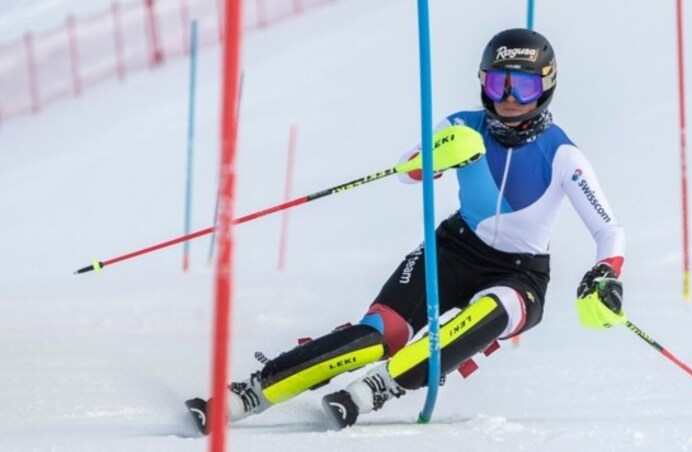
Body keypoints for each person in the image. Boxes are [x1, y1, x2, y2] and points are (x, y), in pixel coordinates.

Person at [185, 28, 626, 433]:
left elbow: (609, 233)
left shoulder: (564, 155)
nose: (509, 98)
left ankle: (380, 387)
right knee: (380, 334)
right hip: (452, 249)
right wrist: (435, 158)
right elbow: (407, 171)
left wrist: (607, 274)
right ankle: (249, 393)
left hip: (521, 275)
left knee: (491, 310)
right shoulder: (461, 126)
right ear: (482, 83)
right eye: (498, 84)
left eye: (523, 86)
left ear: (546, 87)